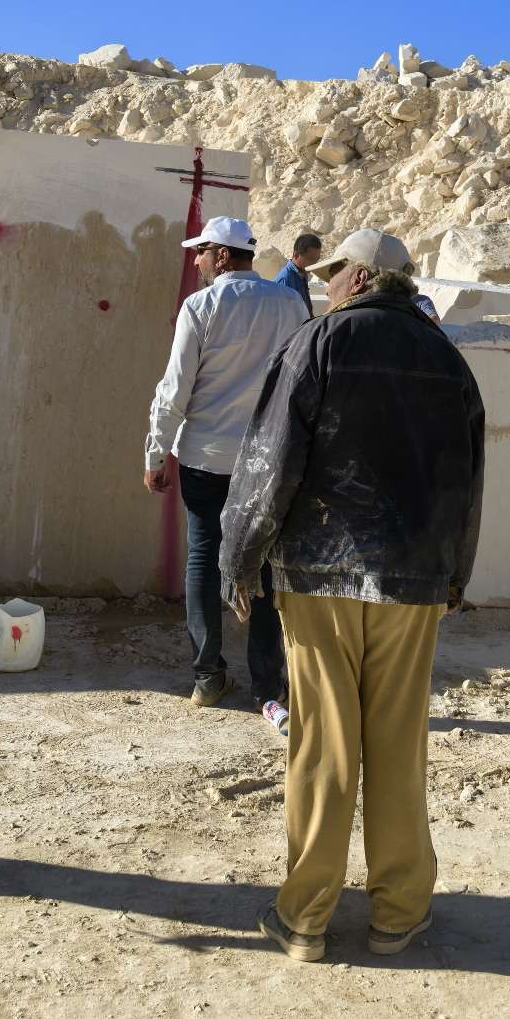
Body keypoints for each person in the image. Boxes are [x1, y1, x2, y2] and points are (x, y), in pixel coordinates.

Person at [221, 227, 486, 962]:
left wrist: (241, 560)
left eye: (335, 272)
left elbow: (269, 461)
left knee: (324, 745)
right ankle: (399, 913)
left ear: (362, 278)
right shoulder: (447, 358)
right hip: (414, 581)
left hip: (319, 576)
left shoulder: (318, 343)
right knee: (398, 745)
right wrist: (454, 576)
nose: (328, 284)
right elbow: (468, 480)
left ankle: (305, 917)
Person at [145, 215, 309, 725]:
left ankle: (207, 677)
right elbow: (303, 381)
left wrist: (156, 454)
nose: (195, 260)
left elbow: (175, 389)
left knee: (202, 557)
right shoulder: (290, 303)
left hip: (205, 458)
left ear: (221, 255)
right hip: (266, 461)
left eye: (201, 251)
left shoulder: (201, 306)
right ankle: (267, 685)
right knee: (263, 565)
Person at [272, 233, 323, 317]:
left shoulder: (302, 273)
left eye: (316, 260)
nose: (314, 264)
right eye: (310, 259)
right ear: (296, 255)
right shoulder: (285, 280)